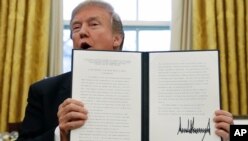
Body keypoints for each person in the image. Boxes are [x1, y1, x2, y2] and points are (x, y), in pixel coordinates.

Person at [17, 0, 233, 141]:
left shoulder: (155, 89)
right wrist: (60, 134)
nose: (81, 32)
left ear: (117, 38)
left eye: (93, 24)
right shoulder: (43, 92)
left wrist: (225, 136)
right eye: (75, 27)